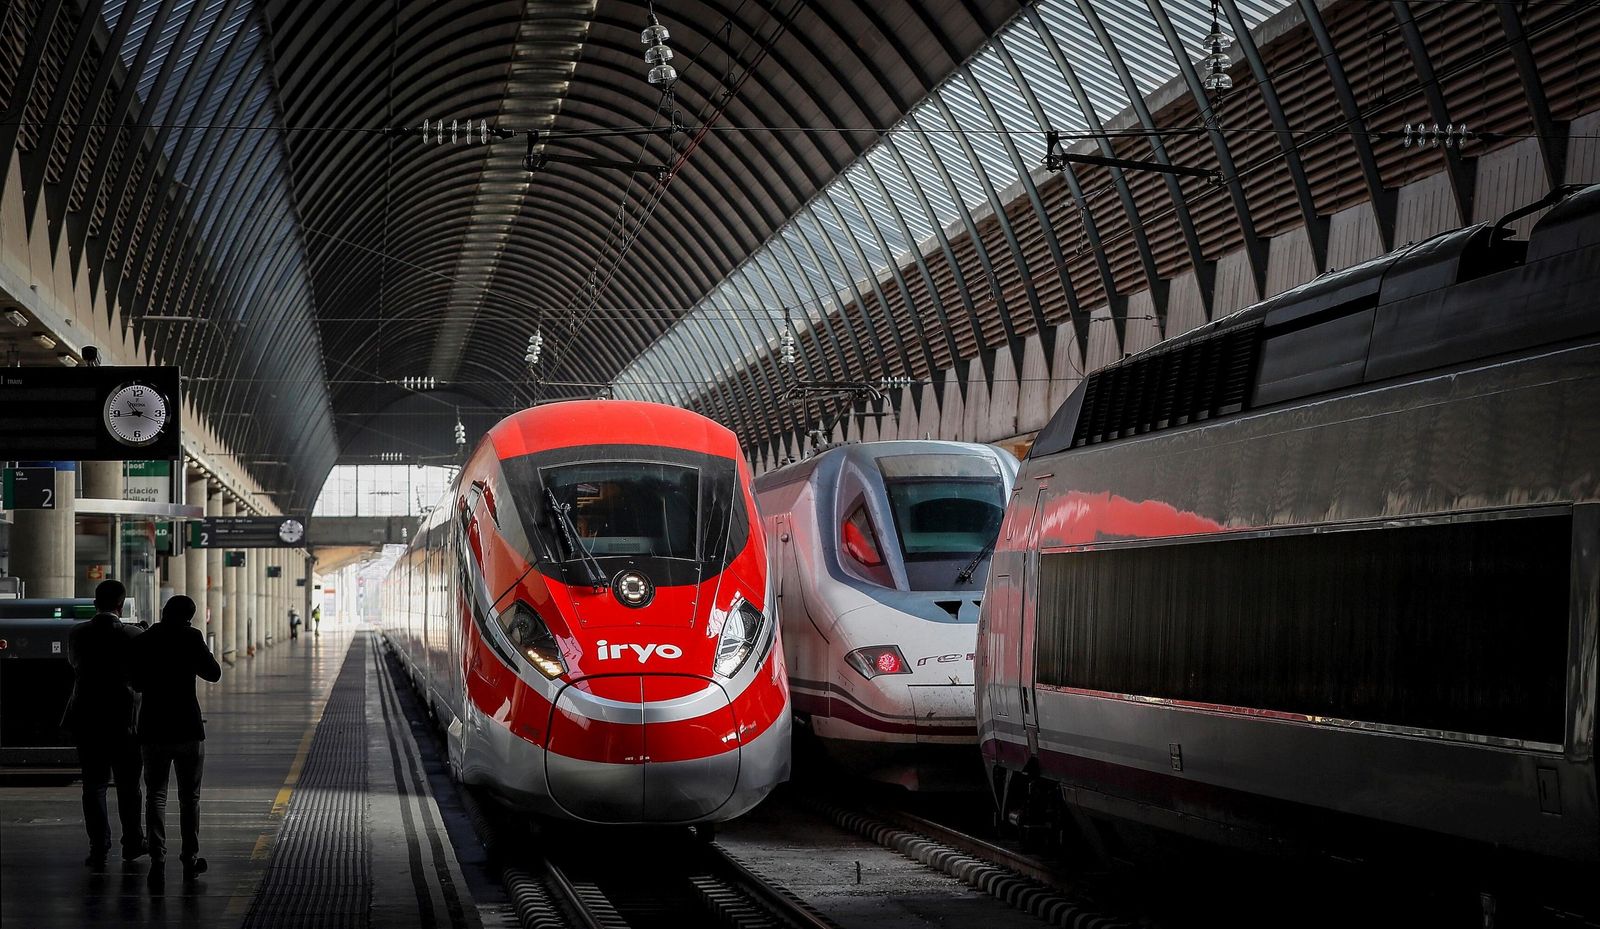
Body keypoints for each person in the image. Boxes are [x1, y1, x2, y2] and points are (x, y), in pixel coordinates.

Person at [131, 595, 222, 883]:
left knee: (155, 795)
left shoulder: (145, 639)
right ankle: (189, 858)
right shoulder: (191, 637)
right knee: (189, 798)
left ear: (163, 611)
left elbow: (136, 683)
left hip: (153, 727)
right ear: (189, 618)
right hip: (186, 727)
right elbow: (214, 673)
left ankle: (157, 859)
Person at [61, 578, 146, 868]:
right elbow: (140, 676)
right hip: (125, 720)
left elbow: (75, 664)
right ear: (121, 606)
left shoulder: (77, 633)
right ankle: (132, 842)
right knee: (128, 785)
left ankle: (99, 846)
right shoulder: (134, 635)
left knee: (93, 785)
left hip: (87, 719)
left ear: (95, 603)